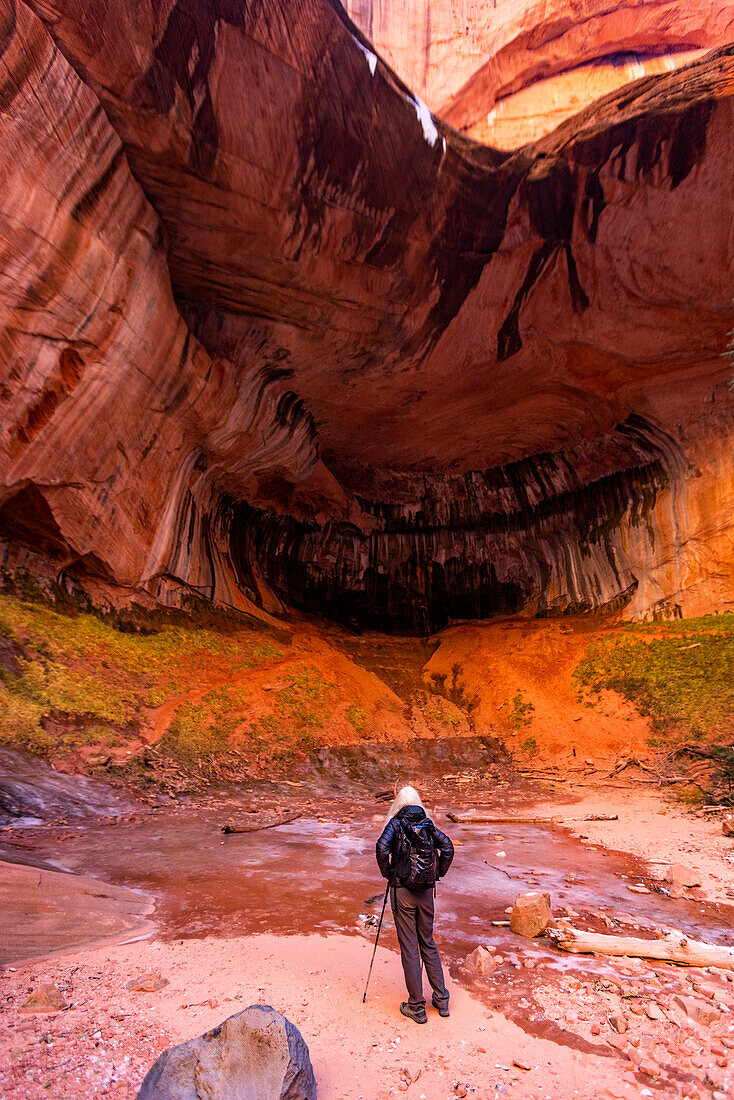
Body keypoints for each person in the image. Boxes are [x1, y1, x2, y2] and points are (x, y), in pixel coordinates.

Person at [375, 785, 454, 1024]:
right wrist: (437, 873)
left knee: (410, 948)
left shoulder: (396, 823)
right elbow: (448, 848)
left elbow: (381, 848)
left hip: (402, 891)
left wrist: (388, 873)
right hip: (427, 893)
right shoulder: (428, 824)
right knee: (428, 943)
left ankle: (416, 1006)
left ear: (398, 803)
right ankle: (441, 1000)